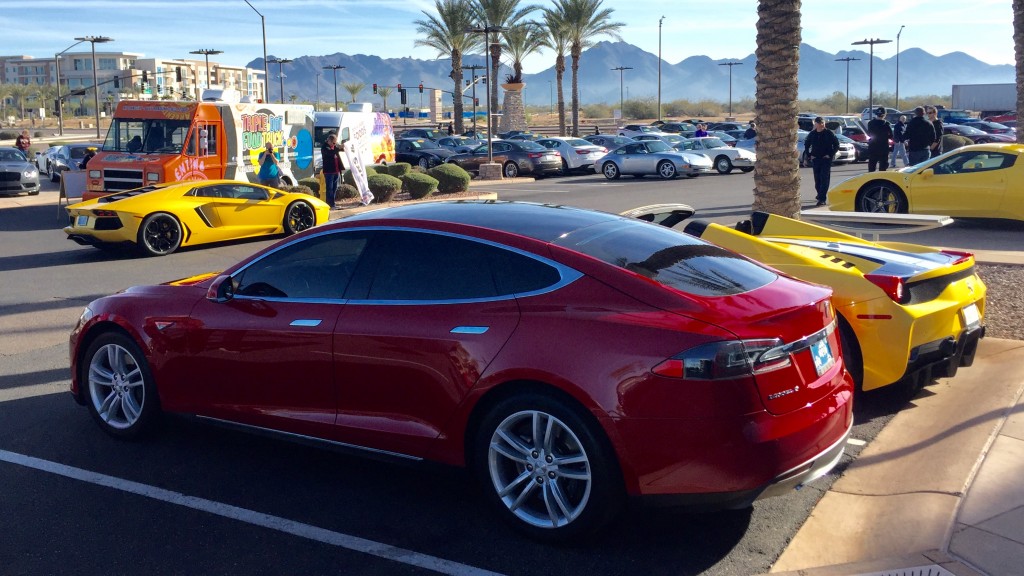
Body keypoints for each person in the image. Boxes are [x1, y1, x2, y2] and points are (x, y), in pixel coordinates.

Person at [804, 116, 840, 207]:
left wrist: (830, 154)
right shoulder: (812, 134)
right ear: (815, 124)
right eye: (819, 123)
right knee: (817, 180)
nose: (821, 124)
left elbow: (836, 145)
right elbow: (807, 145)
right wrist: (809, 155)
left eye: (822, 123)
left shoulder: (829, 133)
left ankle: (822, 198)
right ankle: (820, 194)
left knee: (824, 179)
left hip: (826, 159)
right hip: (816, 159)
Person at [866, 107, 893, 172]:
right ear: (884, 115)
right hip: (883, 147)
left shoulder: (870, 123)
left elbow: (869, 134)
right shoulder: (887, 124)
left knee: (872, 166)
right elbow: (891, 135)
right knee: (883, 167)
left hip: (873, 147)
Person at [321, 132, 344, 207]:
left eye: (335, 143)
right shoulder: (324, 147)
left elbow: (342, 150)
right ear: (329, 141)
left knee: (335, 188)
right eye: (333, 143)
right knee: (329, 189)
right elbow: (329, 153)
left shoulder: (335, 146)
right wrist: (338, 148)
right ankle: (329, 204)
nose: (335, 144)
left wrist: (343, 146)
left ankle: (333, 203)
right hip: (329, 171)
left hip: (336, 171)